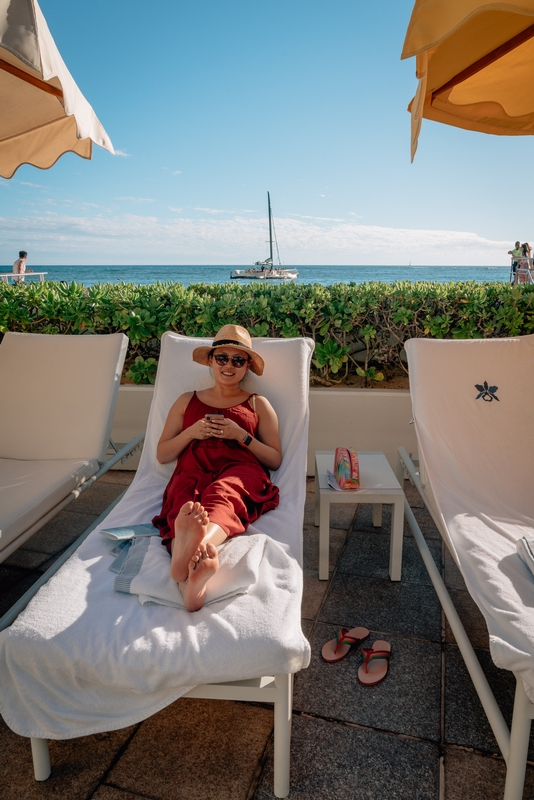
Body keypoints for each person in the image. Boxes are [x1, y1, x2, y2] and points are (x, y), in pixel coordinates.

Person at [152, 324, 282, 612]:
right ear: (211, 360)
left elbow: (274, 459)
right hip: (193, 466)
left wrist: (242, 435)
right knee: (183, 504)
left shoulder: (258, 404)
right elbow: (162, 454)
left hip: (240, 469)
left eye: (238, 360)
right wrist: (191, 433)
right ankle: (190, 588)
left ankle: (191, 552)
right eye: (222, 357)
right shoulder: (187, 400)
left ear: (247, 366)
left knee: (224, 495)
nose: (229, 365)